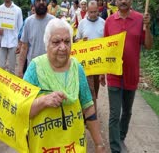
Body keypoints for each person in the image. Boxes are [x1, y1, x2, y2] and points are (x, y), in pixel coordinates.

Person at [24, 18, 106, 153]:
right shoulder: (35, 68)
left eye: (67, 41)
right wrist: (43, 101)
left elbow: (88, 107)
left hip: (72, 146)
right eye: (56, 42)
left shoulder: (77, 68)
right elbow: (22, 111)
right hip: (44, 147)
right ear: (47, 44)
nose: (63, 47)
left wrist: (99, 144)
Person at [101, 0, 153, 153]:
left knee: (127, 112)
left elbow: (148, 45)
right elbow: (105, 49)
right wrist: (102, 71)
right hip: (114, 74)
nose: (123, 1)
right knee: (115, 114)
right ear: (115, 1)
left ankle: (121, 138)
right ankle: (115, 148)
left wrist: (148, 27)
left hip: (131, 74)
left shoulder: (140, 19)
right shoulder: (109, 21)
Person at [17, 0, 55, 78]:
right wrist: (20, 70)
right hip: (32, 69)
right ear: (33, 3)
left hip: (50, 70)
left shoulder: (54, 21)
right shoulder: (28, 22)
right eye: (38, 0)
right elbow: (24, 47)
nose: (41, 2)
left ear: (47, 2)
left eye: (44, 0)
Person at [76, 0, 105, 111]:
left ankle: (90, 106)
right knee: (90, 88)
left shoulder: (103, 23)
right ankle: (92, 115)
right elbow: (77, 39)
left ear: (98, 10)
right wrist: (81, 41)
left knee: (95, 88)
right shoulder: (82, 23)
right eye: (91, 12)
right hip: (86, 62)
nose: (93, 14)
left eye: (95, 12)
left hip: (98, 61)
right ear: (87, 11)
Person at [0, 0, 23, 75]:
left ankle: (10, 88)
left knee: (12, 69)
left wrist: (20, 44)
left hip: (13, 41)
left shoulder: (17, 10)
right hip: (2, 41)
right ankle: (1, 87)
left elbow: (20, 28)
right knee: (1, 67)